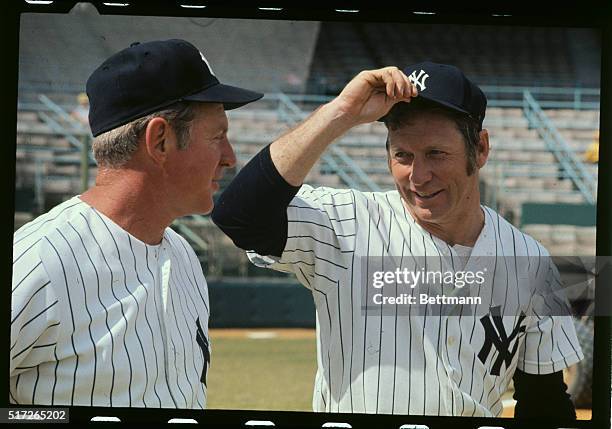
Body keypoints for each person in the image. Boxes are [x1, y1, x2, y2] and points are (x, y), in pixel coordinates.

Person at [211, 62, 583, 417]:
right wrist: (341, 111)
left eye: (436, 154)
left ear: (480, 149)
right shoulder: (346, 223)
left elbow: (543, 400)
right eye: (403, 155)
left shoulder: (531, 262)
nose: (418, 176)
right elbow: (238, 215)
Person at [10, 39, 262, 407]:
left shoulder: (184, 257)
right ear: (159, 140)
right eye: (218, 136)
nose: (230, 157)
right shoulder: (37, 262)